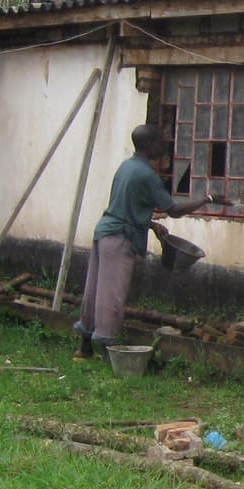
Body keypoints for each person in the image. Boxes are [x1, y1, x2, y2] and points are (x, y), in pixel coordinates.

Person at [74, 124, 223, 360]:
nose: (164, 146)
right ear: (150, 146)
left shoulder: (126, 166)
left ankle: (84, 348)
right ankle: (108, 353)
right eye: (160, 142)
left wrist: (151, 225)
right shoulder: (147, 174)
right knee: (110, 295)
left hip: (104, 231)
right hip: (120, 237)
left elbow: (124, 205)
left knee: (94, 290)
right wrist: (208, 198)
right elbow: (173, 209)